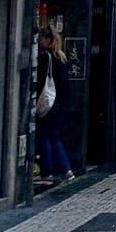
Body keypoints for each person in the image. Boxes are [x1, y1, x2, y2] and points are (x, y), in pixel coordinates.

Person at [34, 27, 74, 183]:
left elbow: (41, 82)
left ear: (48, 40)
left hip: (49, 103)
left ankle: (47, 171)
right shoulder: (61, 57)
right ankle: (66, 169)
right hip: (60, 104)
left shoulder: (46, 58)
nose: (39, 41)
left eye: (41, 39)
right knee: (53, 136)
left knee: (44, 136)